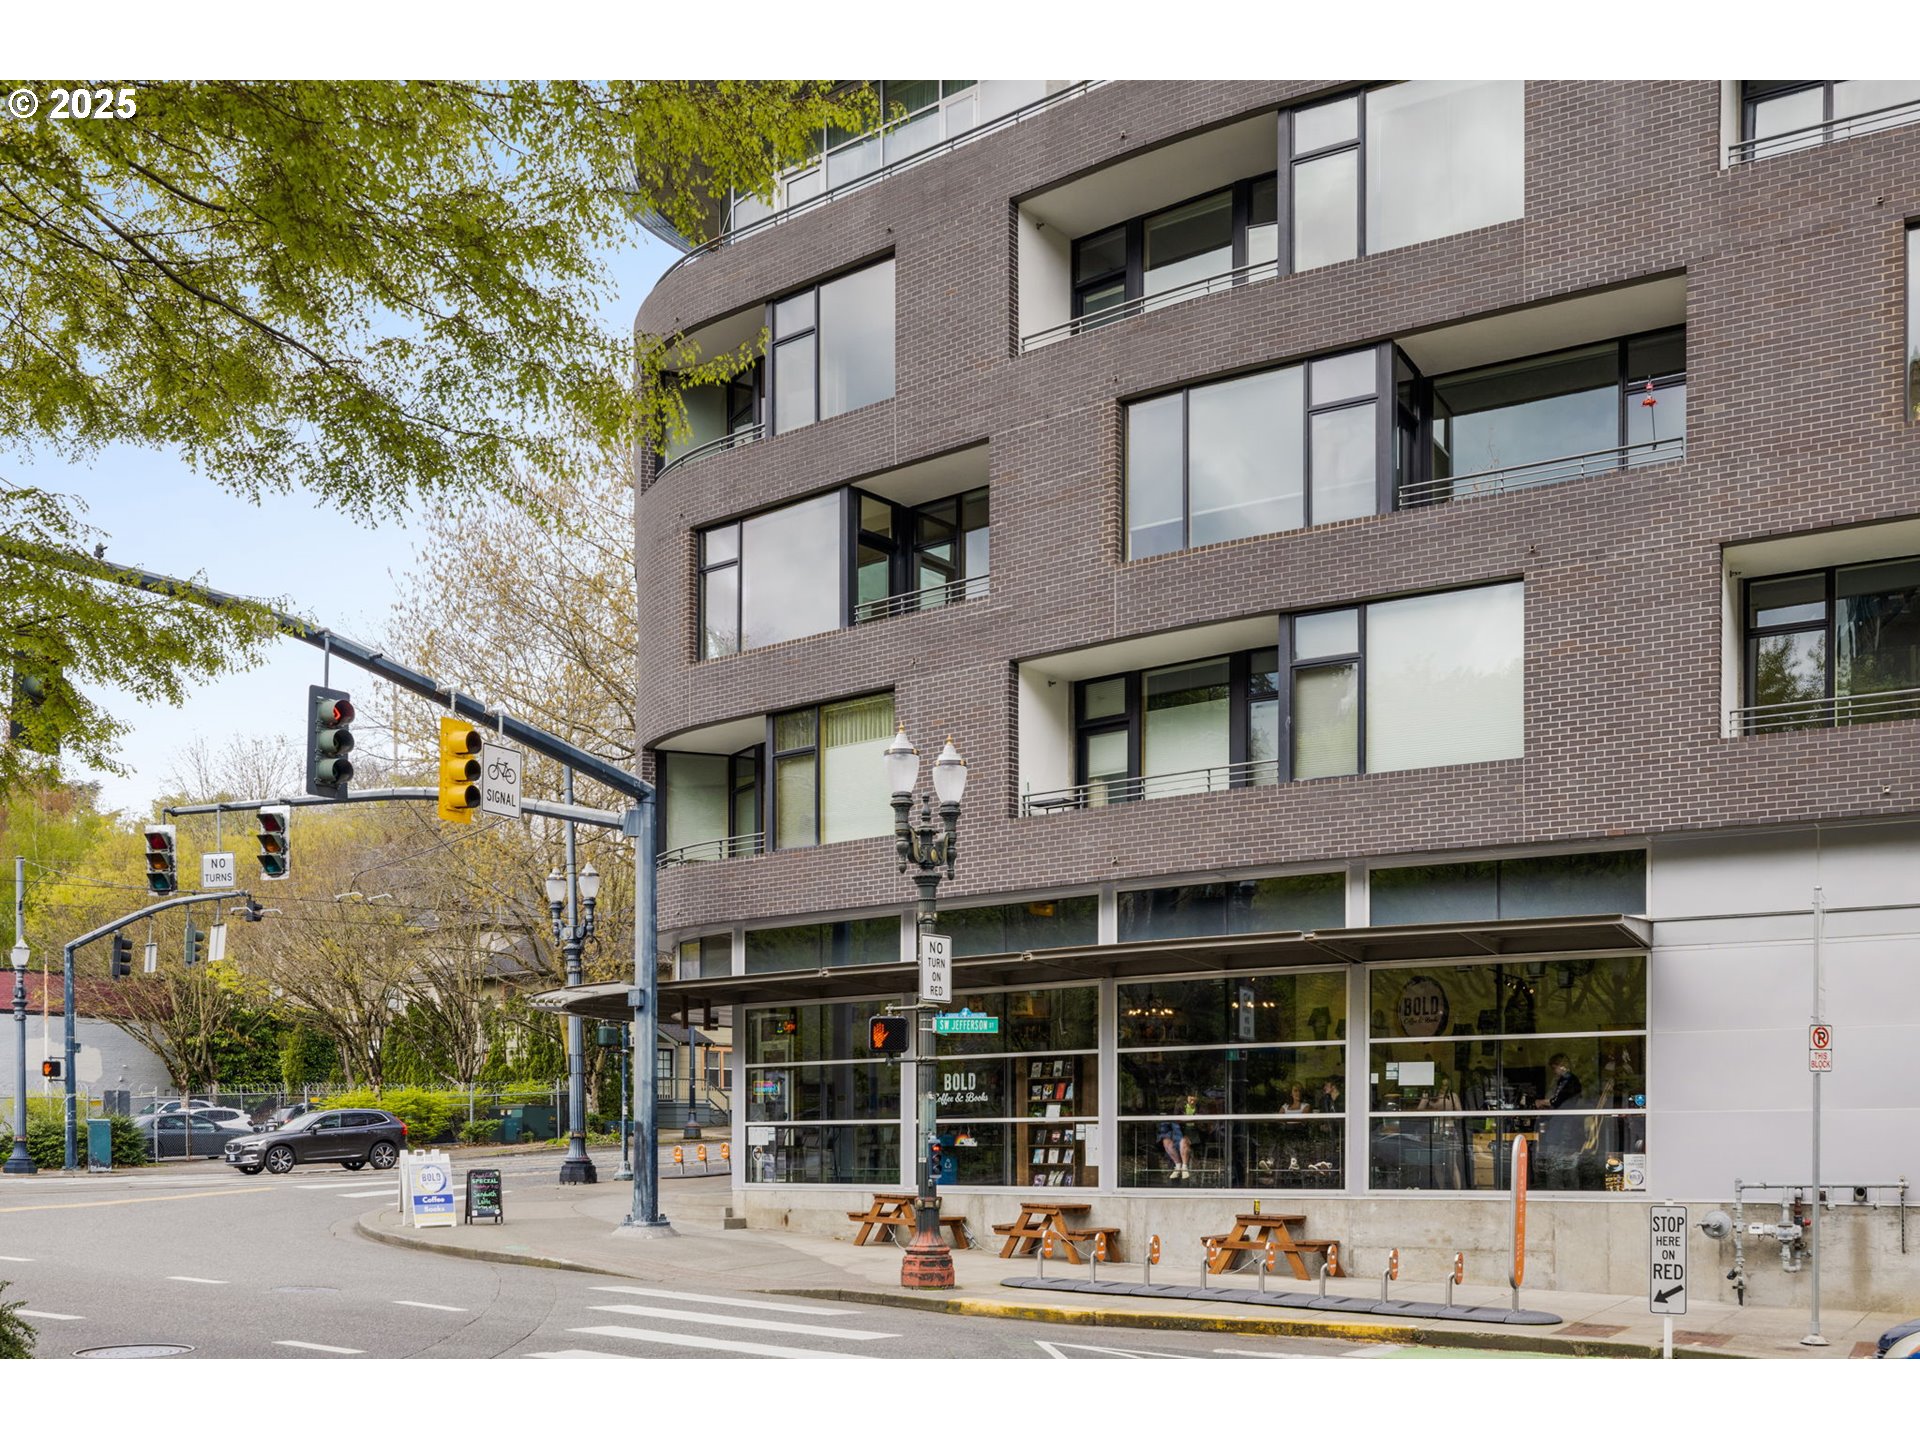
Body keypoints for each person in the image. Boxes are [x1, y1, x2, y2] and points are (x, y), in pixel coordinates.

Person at [1532, 1052, 1584, 1186]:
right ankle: (1567, 1190)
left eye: (1554, 1068)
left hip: (1563, 1127)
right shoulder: (1567, 1081)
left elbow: (1557, 1100)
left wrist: (1541, 1102)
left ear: (1561, 1066)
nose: (1554, 1072)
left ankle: (1556, 1191)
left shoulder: (1569, 1081)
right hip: (1565, 1126)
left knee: (1556, 1162)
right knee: (1566, 1163)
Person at [1156, 1094, 1195, 1180]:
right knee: (1166, 1141)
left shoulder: (1192, 1106)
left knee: (1183, 1141)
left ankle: (1184, 1167)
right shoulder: (1169, 1112)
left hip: (1188, 1132)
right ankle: (1177, 1166)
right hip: (1175, 1131)